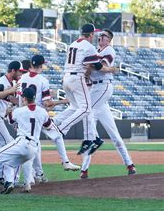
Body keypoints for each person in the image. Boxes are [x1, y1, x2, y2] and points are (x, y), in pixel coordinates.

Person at [0, 87, 52, 195]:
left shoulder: (19, 111)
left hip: (22, 142)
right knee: (10, 164)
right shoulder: (42, 112)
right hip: (34, 147)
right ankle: (9, 183)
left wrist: (10, 108)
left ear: (24, 98)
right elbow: (48, 126)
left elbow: (10, 120)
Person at [80, 29, 136, 178]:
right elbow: (92, 67)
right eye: (100, 35)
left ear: (109, 39)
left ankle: (95, 143)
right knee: (114, 135)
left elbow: (101, 68)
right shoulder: (96, 50)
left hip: (103, 86)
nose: (100, 37)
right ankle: (129, 164)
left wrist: (91, 65)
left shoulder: (109, 49)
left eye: (104, 36)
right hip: (95, 89)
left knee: (86, 112)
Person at [55, 23, 116, 155]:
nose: (96, 36)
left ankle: (91, 138)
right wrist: (111, 69)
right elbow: (98, 67)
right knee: (86, 109)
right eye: (95, 34)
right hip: (77, 78)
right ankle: (62, 129)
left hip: (66, 78)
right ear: (91, 34)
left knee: (78, 108)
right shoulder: (89, 47)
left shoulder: (73, 44)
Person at [20, 54, 80, 186]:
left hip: (22, 115)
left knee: (33, 145)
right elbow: (47, 104)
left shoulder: (21, 78)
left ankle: (37, 175)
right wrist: (62, 101)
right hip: (38, 114)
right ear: (41, 66)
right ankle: (65, 161)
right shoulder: (42, 80)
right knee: (57, 136)